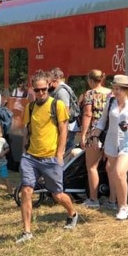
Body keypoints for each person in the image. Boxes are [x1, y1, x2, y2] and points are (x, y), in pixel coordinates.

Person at [16, 71, 77, 244]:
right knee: (26, 190)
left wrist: (59, 154)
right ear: (33, 89)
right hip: (31, 157)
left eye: (44, 89)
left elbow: (64, 130)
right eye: (37, 90)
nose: (41, 93)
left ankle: (72, 214)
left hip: (50, 158)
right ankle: (27, 232)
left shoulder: (56, 105)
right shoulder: (30, 107)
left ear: (49, 86)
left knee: (57, 195)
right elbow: (27, 132)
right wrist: (24, 153)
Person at [90, 75, 128, 220]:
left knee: (119, 172)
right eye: (113, 88)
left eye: (117, 89)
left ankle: (123, 207)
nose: (114, 91)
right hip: (112, 143)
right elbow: (102, 122)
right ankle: (120, 205)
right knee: (118, 175)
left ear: (126, 90)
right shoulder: (111, 101)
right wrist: (95, 136)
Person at [79, 69, 113, 208]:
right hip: (110, 133)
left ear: (91, 80)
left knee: (92, 167)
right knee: (111, 167)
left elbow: (87, 114)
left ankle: (93, 199)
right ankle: (113, 200)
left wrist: (83, 134)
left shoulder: (89, 94)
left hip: (95, 133)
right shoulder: (111, 93)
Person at [50, 68, 81, 152]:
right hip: (67, 125)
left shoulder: (61, 92)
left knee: (65, 147)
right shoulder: (60, 89)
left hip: (67, 126)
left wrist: (63, 130)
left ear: (55, 78)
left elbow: (65, 111)